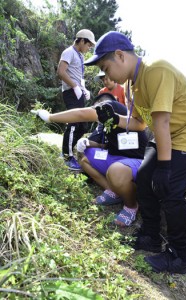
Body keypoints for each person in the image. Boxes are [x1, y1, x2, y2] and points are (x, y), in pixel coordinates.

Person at [84, 31, 186, 274]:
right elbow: (139, 124)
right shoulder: (133, 85)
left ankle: (178, 257)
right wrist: (113, 118)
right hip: (169, 135)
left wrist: (166, 167)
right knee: (146, 178)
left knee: (170, 190)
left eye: (106, 68)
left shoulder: (156, 70)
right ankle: (150, 236)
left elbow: (162, 121)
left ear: (120, 55)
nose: (106, 76)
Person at [31, 92, 148, 226]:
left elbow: (81, 114)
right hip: (116, 158)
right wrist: (86, 142)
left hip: (136, 161)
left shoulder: (114, 108)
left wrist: (50, 117)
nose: (95, 112)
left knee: (116, 171)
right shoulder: (106, 124)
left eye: (97, 108)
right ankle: (114, 191)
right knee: (85, 157)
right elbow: (104, 145)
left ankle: (131, 206)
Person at [57, 29, 96, 171]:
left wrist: (83, 88)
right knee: (73, 124)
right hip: (70, 92)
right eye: (88, 45)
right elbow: (60, 72)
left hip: (78, 92)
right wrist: (74, 86)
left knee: (83, 127)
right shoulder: (69, 52)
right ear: (81, 40)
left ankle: (65, 151)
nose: (88, 49)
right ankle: (67, 156)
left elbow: (77, 75)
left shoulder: (80, 56)